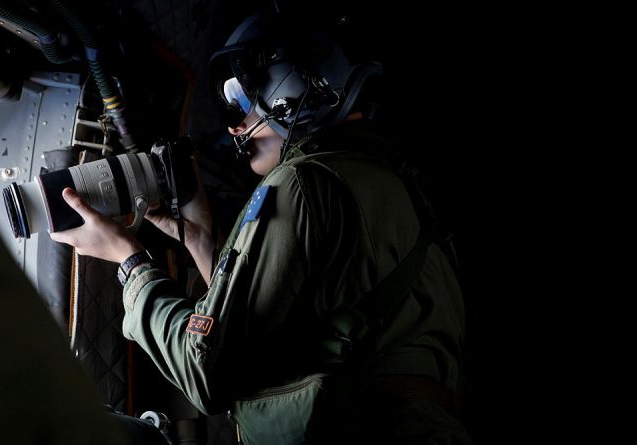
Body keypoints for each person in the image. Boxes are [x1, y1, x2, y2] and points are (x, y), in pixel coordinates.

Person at [51, 12, 471, 445]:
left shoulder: (304, 183)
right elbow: (293, 327)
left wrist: (130, 260)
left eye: (239, 97)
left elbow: (207, 370)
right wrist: (198, 238)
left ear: (288, 92)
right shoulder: (393, 186)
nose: (233, 125)